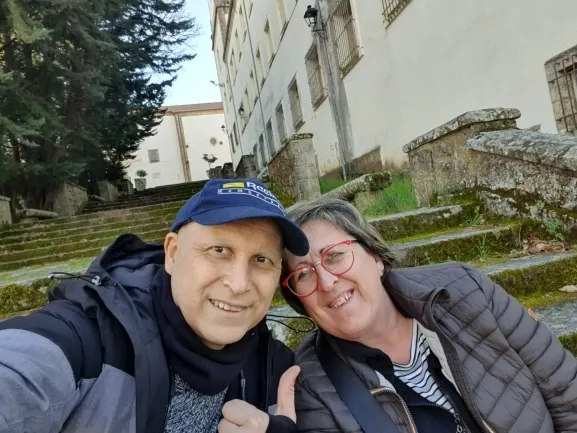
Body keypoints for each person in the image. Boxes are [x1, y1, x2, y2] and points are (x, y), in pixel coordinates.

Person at [0, 178, 307, 433]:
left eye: (261, 259)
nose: (239, 284)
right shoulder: (91, 337)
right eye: (219, 250)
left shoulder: (277, 368)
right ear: (172, 253)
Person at [280, 197, 577, 433]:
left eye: (334, 255)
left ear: (376, 258)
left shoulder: (466, 290)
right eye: (303, 274)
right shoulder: (312, 385)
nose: (326, 281)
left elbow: (566, 393)